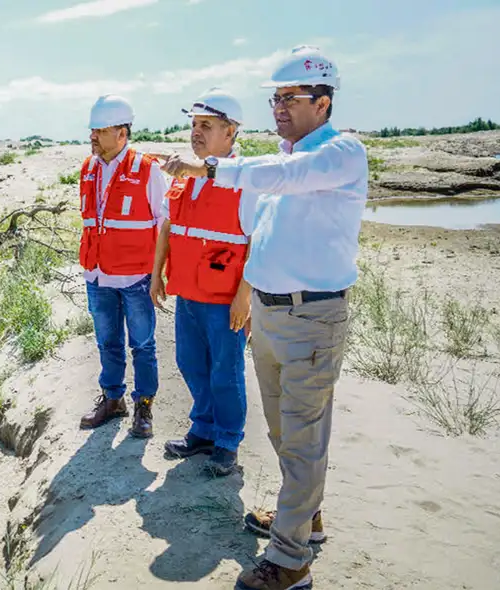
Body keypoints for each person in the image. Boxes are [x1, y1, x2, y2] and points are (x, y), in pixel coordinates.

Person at [154, 46, 367, 590]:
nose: (278, 106)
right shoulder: (283, 157)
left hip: (312, 316)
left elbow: (284, 176)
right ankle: (306, 517)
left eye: (289, 97)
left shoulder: (339, 153)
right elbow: (261, 230)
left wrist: (211, 165)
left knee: (302, 436)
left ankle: (292, 560)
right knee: (283, 431)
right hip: (271, 319)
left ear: (322, 103)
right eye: (274, 97)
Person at [149, 88, 257, 477]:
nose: (196, 132)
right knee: (191, 362)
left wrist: (245, 297)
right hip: (188, 293)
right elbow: (167, 226)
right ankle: (203, 429)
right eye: (194, 125)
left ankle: (227, 441)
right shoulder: (182, 175)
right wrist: (157, 273)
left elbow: (257, 241)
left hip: (224, 297)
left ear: (230, 132)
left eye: (206, 126)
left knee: (225, 370)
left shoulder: (245, 180)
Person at [77, 94, 170, 439]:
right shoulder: (87, 169)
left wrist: (159, 273)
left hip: (135, 277)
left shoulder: (148, 169)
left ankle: (144, 405)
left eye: (100, 131)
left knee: (142, 345)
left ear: (122, 132)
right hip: (97, 275)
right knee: (107, 341)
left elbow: (165, 222)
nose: (93, 137)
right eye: (92, 130)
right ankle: (113, 399)